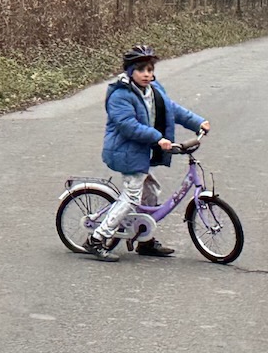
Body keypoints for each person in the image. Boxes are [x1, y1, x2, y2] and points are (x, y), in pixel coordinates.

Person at [86, 44, 209, 261]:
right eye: (141, 70)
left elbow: (173, 110)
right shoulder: (120, 94)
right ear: (130, 71)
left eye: (150, 70)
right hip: (125, 151)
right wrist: (157, 138)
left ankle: (144, 238)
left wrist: (198, 122)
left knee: (151, 190)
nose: (147, 74)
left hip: (141, 152)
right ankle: (97, 239)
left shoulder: (153, 90)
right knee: (132, 196)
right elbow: (128, 125)